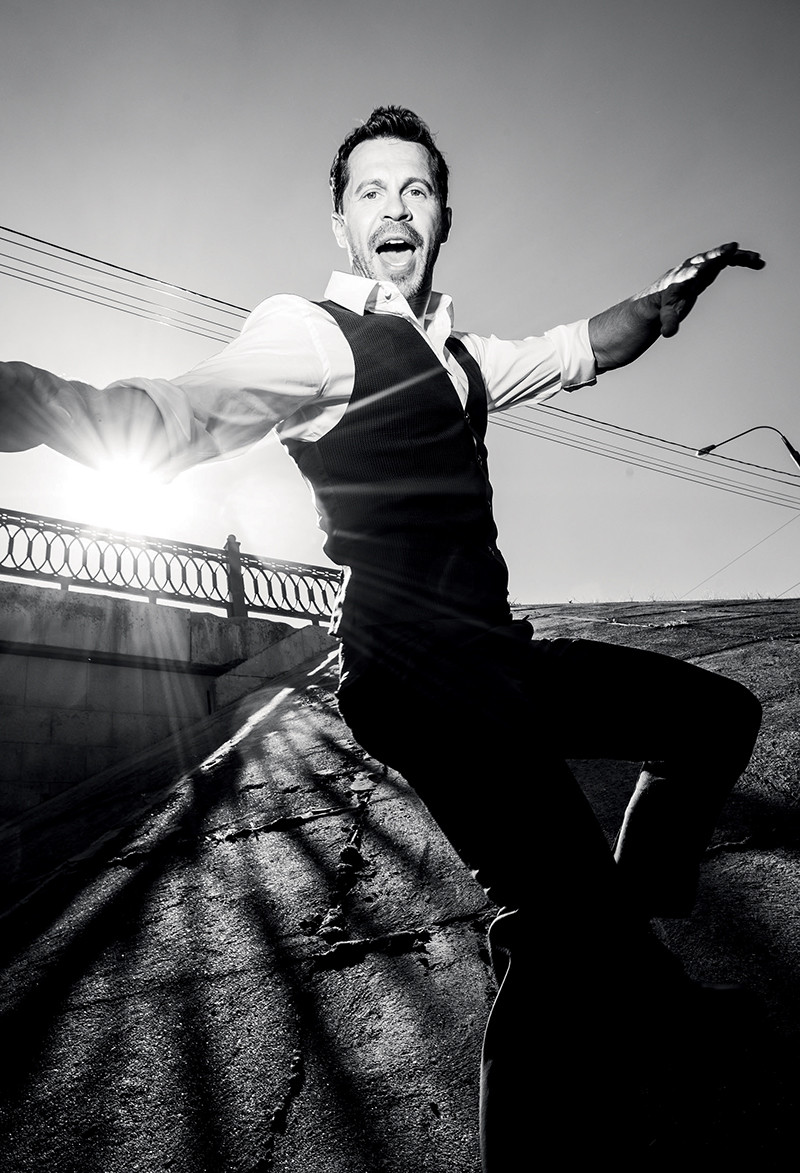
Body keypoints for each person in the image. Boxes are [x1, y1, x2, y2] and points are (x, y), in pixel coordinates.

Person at [0, 106, 765, 1166]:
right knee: (555, 923)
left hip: (492, 658)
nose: (395, 208)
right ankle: (595, 969)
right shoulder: (312, 336)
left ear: (442, 216)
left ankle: (625, 945)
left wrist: (667, 300)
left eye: (415, 190)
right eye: (371, 192)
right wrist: (28, 399)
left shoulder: (457, 356)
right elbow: (175, 409)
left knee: (712, 717)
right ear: (342, 224)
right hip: (416, 675)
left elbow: (580, 347)